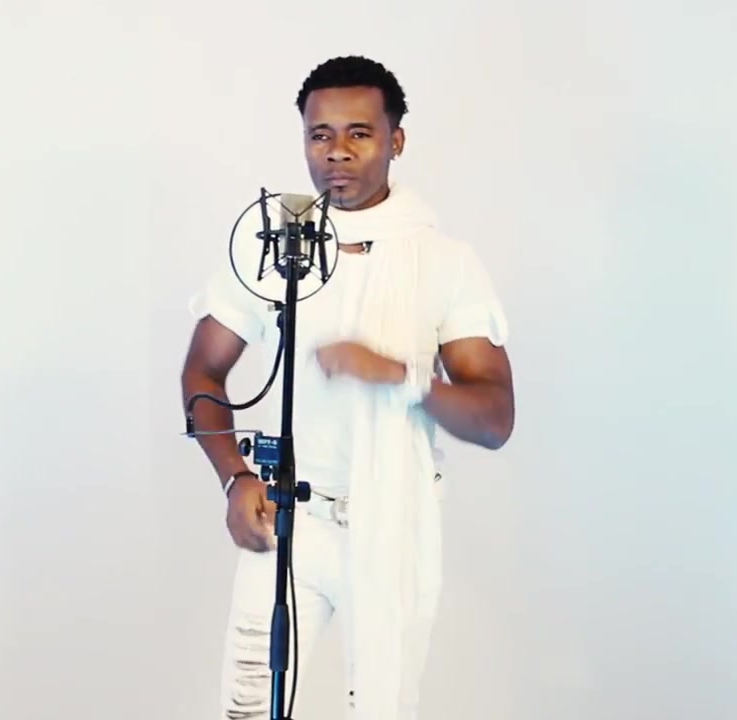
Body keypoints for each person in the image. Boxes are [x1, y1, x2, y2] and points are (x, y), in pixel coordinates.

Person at [180, 55, 515, 719]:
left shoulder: (442, 261)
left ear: (396, 140)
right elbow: (202, 370)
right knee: (247, 710)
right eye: (320, 135)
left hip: (391, 526)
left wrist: (400, 376)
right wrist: (234, 478)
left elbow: (494, 419)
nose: (337, 152)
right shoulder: (273, 246)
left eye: (359, 133)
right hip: (289, 521)